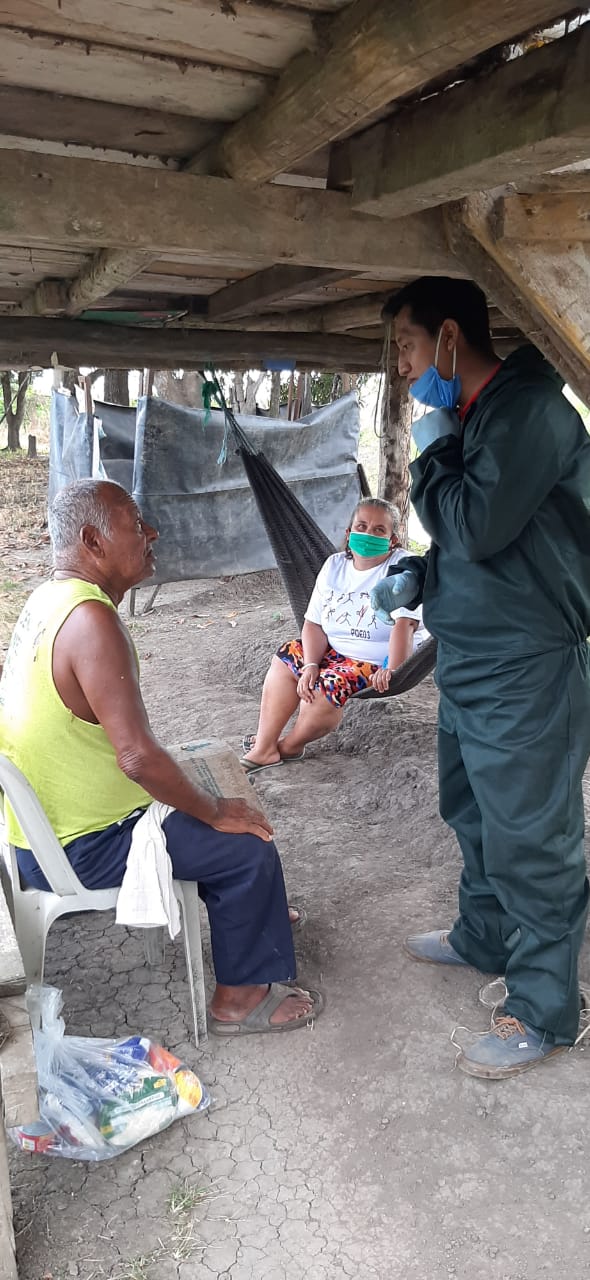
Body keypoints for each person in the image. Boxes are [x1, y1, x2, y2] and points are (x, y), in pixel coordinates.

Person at [0, 478, 323, 1037]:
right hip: (80, 847)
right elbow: (137, 758)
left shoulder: (49, 600)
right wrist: (212, 811)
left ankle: (250, 915)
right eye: (135, 523)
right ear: (93, 542)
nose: (152, 532)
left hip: (43, 833)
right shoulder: (92, 622)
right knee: (247, 846)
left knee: (213, 788)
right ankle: (239, 1001)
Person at [372, 275, 590, 1080]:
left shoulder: (528, 412)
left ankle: (546, 1009)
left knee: (533, 839)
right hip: (472, 657)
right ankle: (485, 936)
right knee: (471, 812)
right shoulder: (479, 413)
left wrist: (432, 448)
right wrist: (426, 575)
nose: (402, 366)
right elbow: (476, 542)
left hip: (526, 667)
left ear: (449, 338)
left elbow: (478, 523)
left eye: (406, 345)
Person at [241, 498, 428, 772]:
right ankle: (265, 746)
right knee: (286, 656)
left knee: (326, 687)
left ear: (393, 540)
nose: (368, 534)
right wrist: (311, 664)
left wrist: (393, 668)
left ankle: (289, 746)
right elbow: (313, 623)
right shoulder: (334, 565)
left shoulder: (403, 569)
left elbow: (405, 625)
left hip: (374, 662)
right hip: (333, 652)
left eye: (379, 530)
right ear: (349, 533)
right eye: (361, 526)